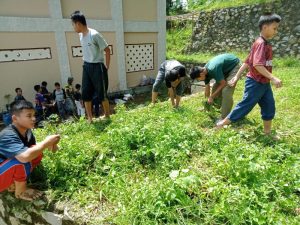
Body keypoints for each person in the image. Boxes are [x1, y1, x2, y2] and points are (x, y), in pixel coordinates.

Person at [217, 13, 282, 137]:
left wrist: (236, 76)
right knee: (245, 106)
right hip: (255, 83)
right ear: (264, 27)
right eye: (274, 28)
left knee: (269, 106)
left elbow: (247, 61)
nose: (276, 31)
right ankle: (221, 124)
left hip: (263, 83)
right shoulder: (260, 44)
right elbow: (257, 64)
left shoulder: (263, 43)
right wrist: (273, 77)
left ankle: (267, 133)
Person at [0, 100, 60, 201]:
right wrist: (46, 142)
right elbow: (24, 157)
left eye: (34, 115)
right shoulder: (7, 135)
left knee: (36, 152)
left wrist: (51, 144)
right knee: (20, 161)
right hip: (4, 170)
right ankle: (21, 191)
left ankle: (13, 183)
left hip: (5, 169)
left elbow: (35, 150)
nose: (34, 118)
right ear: (15, 118)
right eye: (29, 116)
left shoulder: (27, 132)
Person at [71, 10, 111, 123]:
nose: (73, 27)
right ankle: (89, 118)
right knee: (85, 93)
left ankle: (107, 116)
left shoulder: (94, 35)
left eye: (73, 24)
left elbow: (107, 50)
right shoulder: (80, 35)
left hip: (98, 66)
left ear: (78, 23)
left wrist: (106, 67)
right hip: (86, 66)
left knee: (102, 94)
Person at [189, 53, 240, 119]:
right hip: (224, 68)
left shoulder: (213, 68)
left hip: (234, 65)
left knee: (226, 91)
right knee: (215, 88)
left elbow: (223, 84)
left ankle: (224, 117)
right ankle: (213, 107)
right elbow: (207, 88)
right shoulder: (204, 72)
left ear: (201, 74)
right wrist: (207, 102)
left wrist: (212, 96)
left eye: (197, 79)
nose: (198, 80)